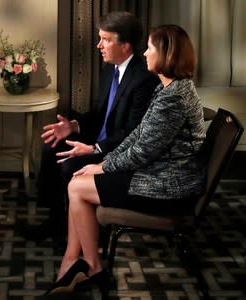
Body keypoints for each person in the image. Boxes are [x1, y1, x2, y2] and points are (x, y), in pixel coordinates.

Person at [45, 24, 206, 295]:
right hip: (159, 174)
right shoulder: (171, 88)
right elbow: (137, 137)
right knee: (79, 179)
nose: (145, 52)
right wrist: (101, 163)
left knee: (76, 186)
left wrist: (103, 165)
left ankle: (90, 266)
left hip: (168, 187)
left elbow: (142, 151)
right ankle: (75, 260)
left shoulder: (173, 98)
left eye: (151, 47)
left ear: (166, 53)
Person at [22, 11, 159, 247]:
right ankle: (56, 221)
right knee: (51, 146)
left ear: (125, 46)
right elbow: (98, 114)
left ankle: (86, 230)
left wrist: (94, 148)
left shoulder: (144, 78)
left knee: (70, 165)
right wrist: (73, 126)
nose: (99, 45)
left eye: (105, 39)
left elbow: (131, 132)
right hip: (99, 139)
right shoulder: (110, 69)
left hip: (117, 149)